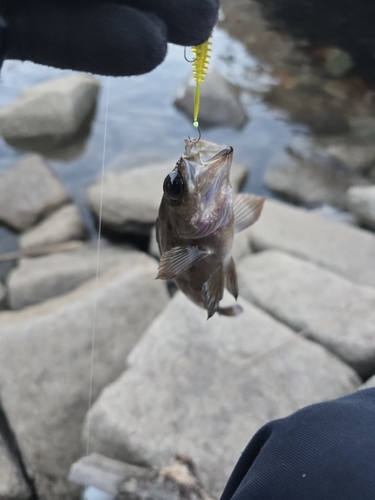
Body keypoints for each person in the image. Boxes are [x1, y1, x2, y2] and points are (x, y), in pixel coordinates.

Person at [1, 2, 375, 499]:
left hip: (206, 255)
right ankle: (219, 302)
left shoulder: (211, 221)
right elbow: (188, 251)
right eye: (179, 189)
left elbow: (230, 218)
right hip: (202, 261)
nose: (189, 178)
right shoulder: (201, 235)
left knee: (217, 276)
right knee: (213, 282)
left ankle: (221, 301)